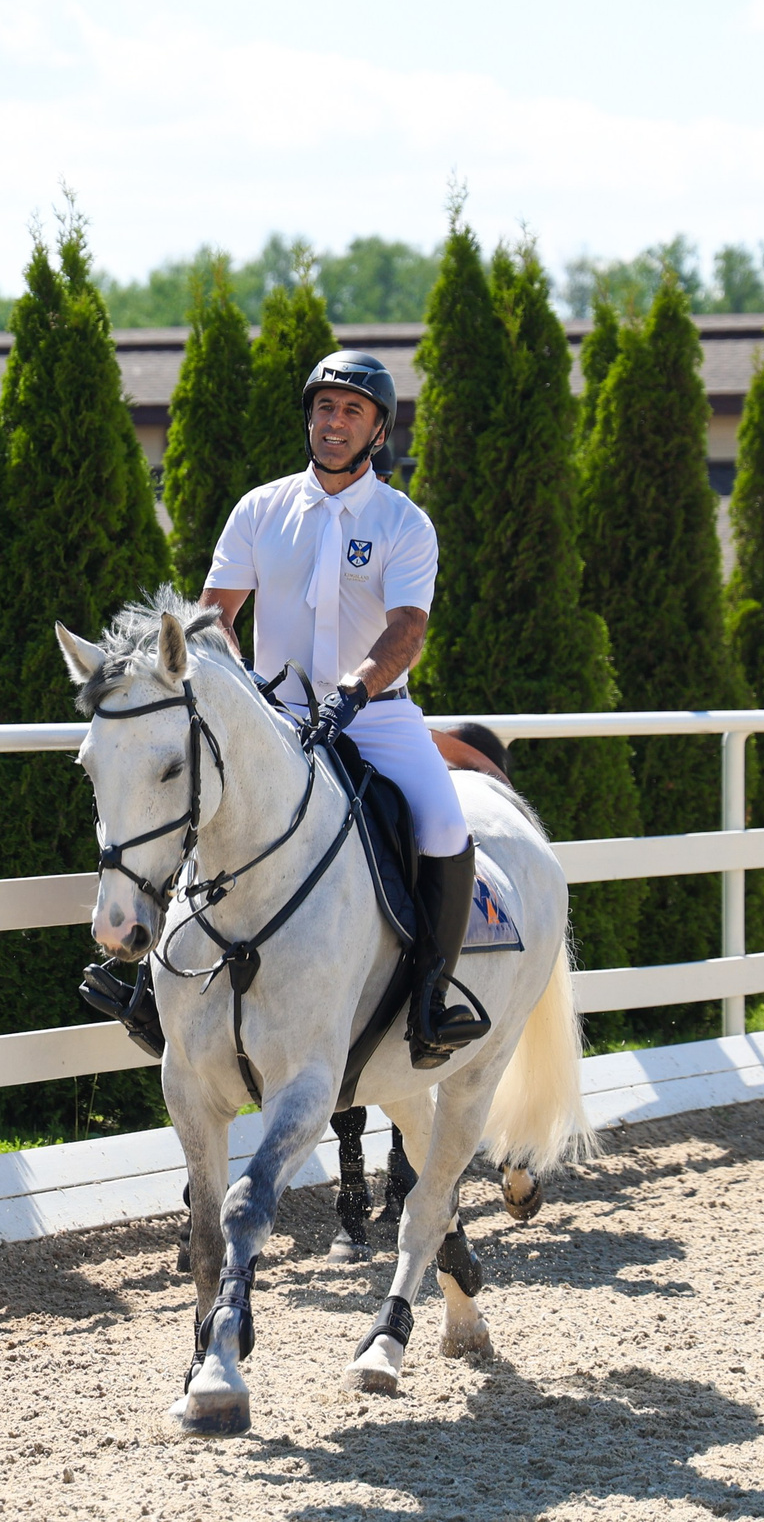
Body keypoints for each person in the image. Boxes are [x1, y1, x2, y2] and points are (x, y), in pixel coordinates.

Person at [196, 351, 489, 1069]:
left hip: (376, 713)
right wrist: (243, 687)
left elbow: (407, 630)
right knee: (190, 800)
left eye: (352, 410)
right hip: (274, 714)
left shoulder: (404, 522)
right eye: (325, 407)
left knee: (447, 825)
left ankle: (430, 999)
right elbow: (215, 614)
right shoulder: (259, 509)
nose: (334, 422)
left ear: (379, 430)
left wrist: (354, 690)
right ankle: (148, 981)